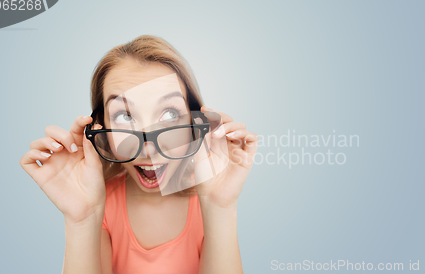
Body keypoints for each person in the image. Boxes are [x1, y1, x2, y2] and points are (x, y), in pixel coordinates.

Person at [19, 35, 258, 274]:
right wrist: (81, 219)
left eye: (169, 114)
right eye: (125, 116)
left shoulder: (209, 199)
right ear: (101, 129)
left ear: (196, 123)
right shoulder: (100, 204)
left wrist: (219, 207)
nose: (148, 147)